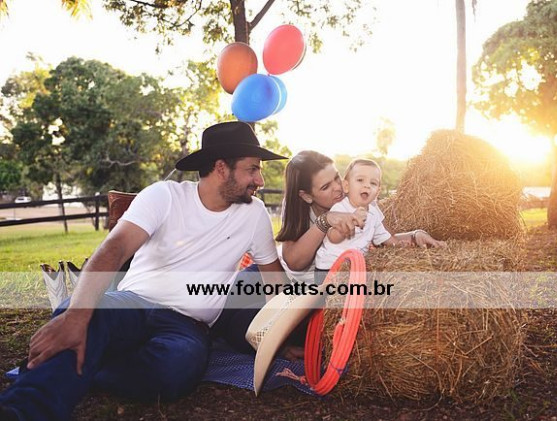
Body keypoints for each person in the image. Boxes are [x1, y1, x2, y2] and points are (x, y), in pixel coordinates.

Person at [0, 121, 288, 421]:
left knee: (176, 369)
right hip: (132, 302)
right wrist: (76, 315)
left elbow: (273, 278)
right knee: (81, 316)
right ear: (221, 167)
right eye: (252, 169)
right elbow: (114, 249)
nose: (260, 179)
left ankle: (86, 364)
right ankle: (22, 411)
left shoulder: (254, 214)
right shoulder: (165, 195)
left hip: (186, 325)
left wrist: (280, 336)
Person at [276, 151, 445, 285]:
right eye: (326, 187)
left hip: (347, 275)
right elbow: (295, 262)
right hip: (307, 282)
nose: (338, 188)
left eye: (337, 177)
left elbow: (385, 238)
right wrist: (325, 221)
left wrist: (414, 235)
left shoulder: (359, 197)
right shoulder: (296, 206)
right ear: (306, 196)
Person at [315, 158, 393, 273]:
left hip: (354, 266)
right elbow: (333, 237)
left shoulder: (374, 213)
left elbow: (384, 237)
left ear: (377, 192)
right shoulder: (341, 208)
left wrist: (401, 244)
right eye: (360, 180)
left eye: (373, 183)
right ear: (346, 186)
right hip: (330, 266)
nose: (367, 186)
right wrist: (350, 222)